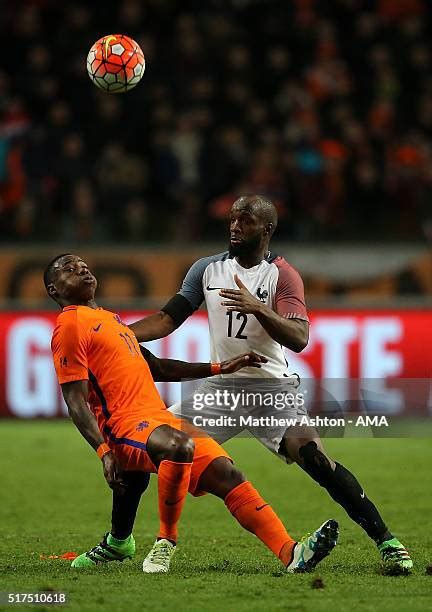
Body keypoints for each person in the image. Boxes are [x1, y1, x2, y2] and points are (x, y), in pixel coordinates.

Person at [128, 195, 413, 573]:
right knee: (145, 446)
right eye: (232, 219)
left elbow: (299, 338)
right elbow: (167, 319)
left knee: (315, 458)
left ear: (267, 229)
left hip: (271, 391)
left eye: (244, 220)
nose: (234, 226)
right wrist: (118, 334)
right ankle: (126, 541)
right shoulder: (206, 270)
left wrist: (259, 307)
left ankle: (387, 541)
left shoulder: (282, 274)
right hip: (222, 391)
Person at [45, 253, 339, 574]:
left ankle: (291, 552)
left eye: (83, 265)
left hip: (156, 418)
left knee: (227, 474)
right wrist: (104, 452)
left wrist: (217, 367)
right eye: (69, 270)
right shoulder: (70, 326)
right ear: (53, 290)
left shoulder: (111, 321)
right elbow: (74, 401)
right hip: (122, 426)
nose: (82, 270)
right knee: (179, 445)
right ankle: (165, 542)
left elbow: (156, 367)